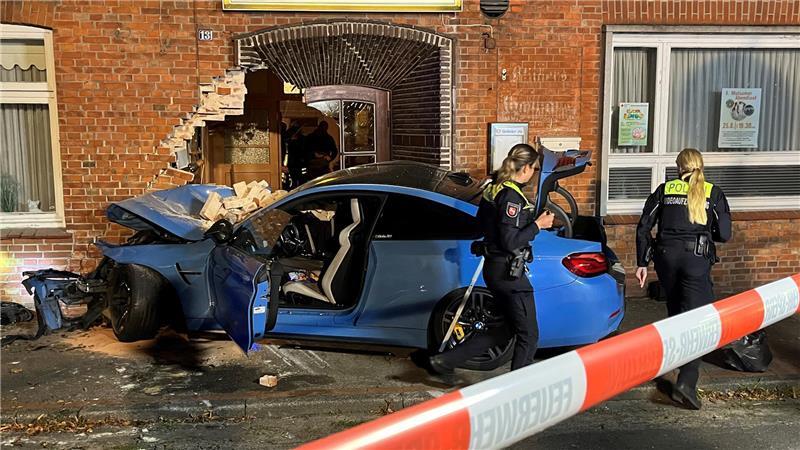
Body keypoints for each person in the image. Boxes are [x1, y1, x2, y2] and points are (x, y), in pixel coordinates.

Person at [429, 143, 554, 376]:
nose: (534, 173)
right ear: (525, 167)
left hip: (495, 269)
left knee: (505, 329)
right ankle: (520, 388)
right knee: (529, 334)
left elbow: (480, 226)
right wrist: (537, 225)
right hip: (510, 275)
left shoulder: (493, 189)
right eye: (535, 169)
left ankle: (446, 361)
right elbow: (510, 241)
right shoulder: (511, 197)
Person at [635, 147, 732, 410]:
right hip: (695, 260)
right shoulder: (713, 192)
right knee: (700, 322)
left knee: (677, 312)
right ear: (701, 165)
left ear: (678, 167)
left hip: (666, 259)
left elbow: (644, 226)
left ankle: (674, 363)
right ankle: (687, 383)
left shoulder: (665, 190)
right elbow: (724, 234)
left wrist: (642, 262)